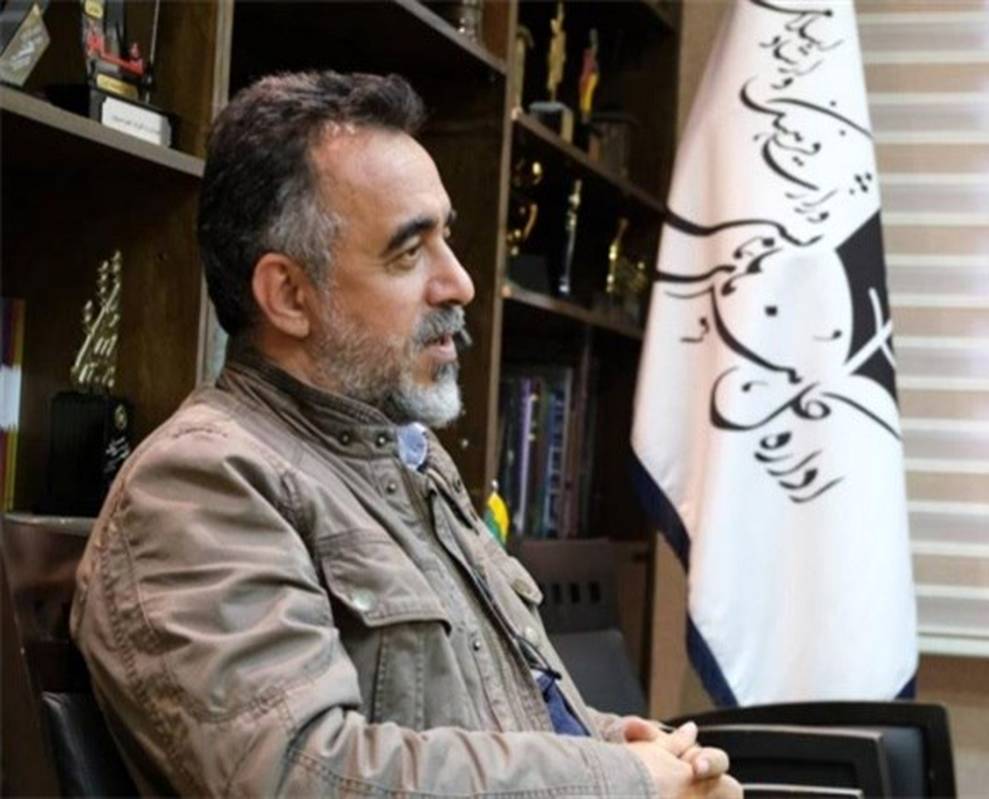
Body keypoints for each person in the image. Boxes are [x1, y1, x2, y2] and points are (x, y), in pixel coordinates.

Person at [70, 71, 742, 798]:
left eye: (444, 238)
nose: (460, 283)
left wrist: (626, 747)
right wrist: (622, 782)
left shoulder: (406, 463)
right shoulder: (203, 482)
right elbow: (301, 774)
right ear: (290, 295)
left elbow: (489, 714)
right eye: (408, 252)